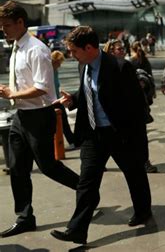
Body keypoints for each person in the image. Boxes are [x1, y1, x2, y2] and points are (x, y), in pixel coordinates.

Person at [50, 26, 152, 244]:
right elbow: (90, 92)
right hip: (93, 135)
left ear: (89, 48)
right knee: (87, 181)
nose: (71, 55)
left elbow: (136, 106)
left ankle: (143, 211)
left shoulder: (120, 67)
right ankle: (76, 229)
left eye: (74, 51)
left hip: (119, 134)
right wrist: (74, 99)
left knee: (134, 174)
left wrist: (135, 139)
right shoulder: (82, 65)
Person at [0, 1, 79, 238]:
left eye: (6, 26)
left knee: (48, 167)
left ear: (20, 22)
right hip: (21, 115)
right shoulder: (16, 47)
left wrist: (12, 94)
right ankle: (25, 217)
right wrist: (12, 92)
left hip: (40, 115)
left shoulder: (37, 49)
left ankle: (86, 190)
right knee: (17, 167)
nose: (3, 30)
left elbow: (43, 88)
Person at [103, 39, 158, 173]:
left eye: (123, 48)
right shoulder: (106, 68)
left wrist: (142, 83)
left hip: (136, 109)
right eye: (119, 49)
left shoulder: (127, 64)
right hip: (118, 111)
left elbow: (141, 79)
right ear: (111, 51)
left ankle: (144, 162)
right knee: (110, 139)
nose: (123, 51)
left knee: (140, 139)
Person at [51, 50, 77, 149]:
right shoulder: (48, 70)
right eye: (59, 63)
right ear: (54, 61)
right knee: (60, 123)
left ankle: (72, 141)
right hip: (52, 101)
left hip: (57, 99)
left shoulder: (55, 70)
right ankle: (68, 141)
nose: (60, 65)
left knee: (64, 122)